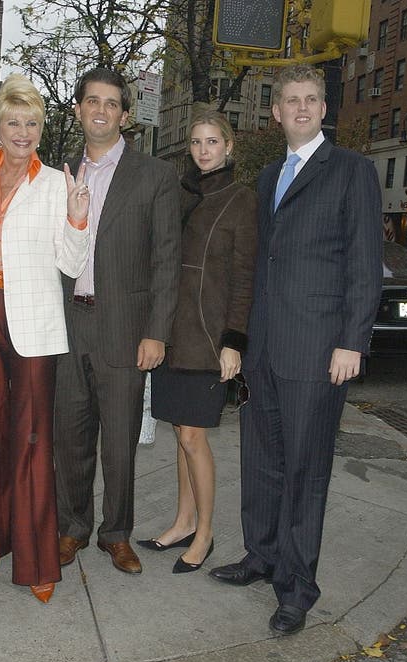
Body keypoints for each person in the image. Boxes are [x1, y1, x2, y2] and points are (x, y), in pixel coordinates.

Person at [208, 64, 383, 635]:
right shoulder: (267, 178)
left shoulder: (351, 171)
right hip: (265, 350)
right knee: (260, 462)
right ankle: (260, 557)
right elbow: (261, 264)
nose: (301, 108)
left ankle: (296, 587)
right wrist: (240, 340)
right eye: (291, 100)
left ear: (323, 110)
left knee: (305, 473)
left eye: (311, 99)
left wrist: (351, 341)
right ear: (276, 112)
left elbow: (364, 264)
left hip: (317, 351)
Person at [0, 74, 92, 604]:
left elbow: (69, 264)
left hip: (34, 320)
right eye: (13, 122)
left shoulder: (54, 183)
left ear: (40, 128)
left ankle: (37, 561)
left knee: (32, 441)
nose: (22, 131)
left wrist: (77, 218)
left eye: (32, 122)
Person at [54, 67, 182, 576]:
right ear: (79, 109)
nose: (101, 110)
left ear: (125, 115)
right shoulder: (58, 174)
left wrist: (157, 332)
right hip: (68, 325)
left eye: (111, 103)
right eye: (92, 101)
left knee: (120, 441)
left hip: (127, 329)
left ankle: (116, 534)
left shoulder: (154, 176)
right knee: (71, 434)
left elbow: (167, 260)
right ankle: (72, 527)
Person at [135, 108, 257, 575]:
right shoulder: (180, 194)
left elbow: (244, 276)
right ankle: (183, 520)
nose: (203, 150)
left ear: (229, 147)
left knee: (192, 437)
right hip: (170, 332)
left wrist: (233, 341)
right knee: (180, 437)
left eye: (212, 142)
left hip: (208, 337)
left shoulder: (241, 198)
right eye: (196, 142)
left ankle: (204, 533)